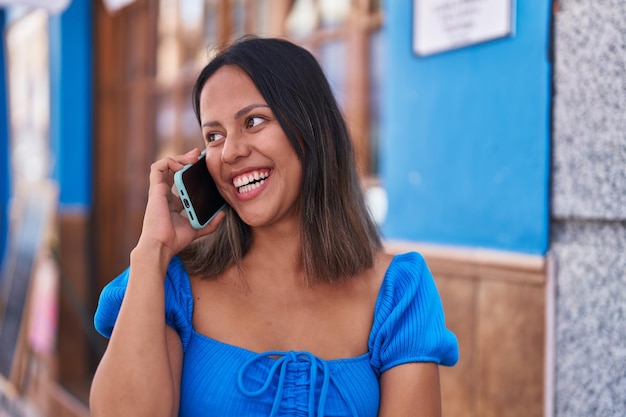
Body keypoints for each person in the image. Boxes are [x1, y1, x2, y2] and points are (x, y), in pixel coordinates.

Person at [89, 36, 459, 417]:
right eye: (213, 136)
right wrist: (152, 251)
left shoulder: (397, 293)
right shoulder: (170, 284)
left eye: (253, 121)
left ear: (311, 130)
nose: (230, 151)